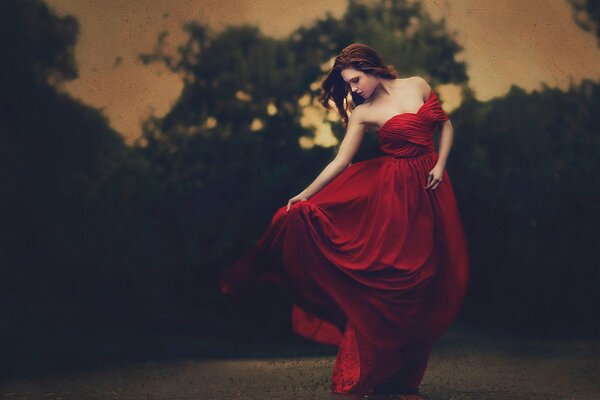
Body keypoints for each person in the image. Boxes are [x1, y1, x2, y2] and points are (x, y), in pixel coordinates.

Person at [217, 43, 470, 398]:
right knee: (396, 280)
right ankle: (370, 376)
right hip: (396, 198)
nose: (353, 90)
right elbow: (340, 162)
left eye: (355, 80)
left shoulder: (418, 85)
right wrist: (305, 194)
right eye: (348, 85)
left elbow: (445, 127)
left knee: (430, 278)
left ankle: (402, 379)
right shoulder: (364, 113)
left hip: (432, 189)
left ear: (370, 68)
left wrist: (441, 165)